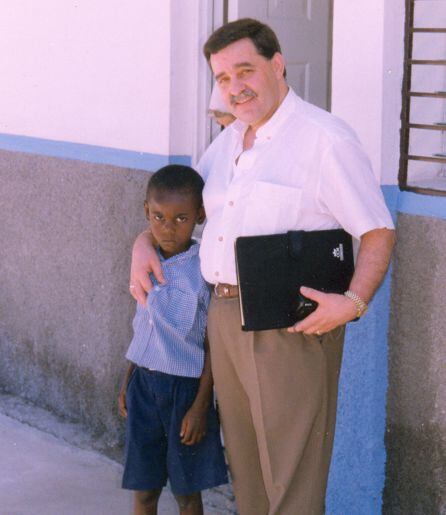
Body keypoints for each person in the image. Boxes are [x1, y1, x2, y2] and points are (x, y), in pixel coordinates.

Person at [129, 18, 395, 515]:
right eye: (224, 78)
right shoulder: (229, 142)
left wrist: (353, 303)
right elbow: (189, 211)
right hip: (225, 318)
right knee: (247, 468)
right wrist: (143, 241)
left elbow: (378, 230)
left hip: (289, 327)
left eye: (245, 71)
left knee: (292, 475)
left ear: (277, 65)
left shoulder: (325, 139)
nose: (235, 87)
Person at [119, 164, 228, 515]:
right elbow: (144, 329)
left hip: (185, 392)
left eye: (181, 219)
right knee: (144, 490)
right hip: (143, 387)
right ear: (146, 212)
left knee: (186, 494)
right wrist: (127, 383)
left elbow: (214, 345)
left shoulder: (203, 270)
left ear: (199, 216)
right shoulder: (145, 261)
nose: (167, 228)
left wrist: (200, 407)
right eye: (158, 217)